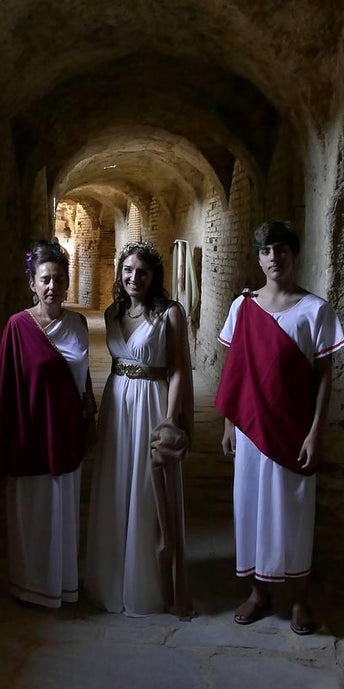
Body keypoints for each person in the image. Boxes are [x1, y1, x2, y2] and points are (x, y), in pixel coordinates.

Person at [215, 220, 344, 635]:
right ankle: (258, 592)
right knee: (251, 506)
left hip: (293, 428)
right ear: (258, 258)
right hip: (252, 429)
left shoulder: (315, 310)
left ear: (294, 254)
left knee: (294, 511)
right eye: (267, 250)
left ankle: (299, 599)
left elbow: (324, 375)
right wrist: (229, 424)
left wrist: (314, 432)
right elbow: (233, 370)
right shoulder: (243, 307)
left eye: (282, 249)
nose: (275, 257)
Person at [85, 241, 195, 617]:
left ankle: (150, 582)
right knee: (115, 483)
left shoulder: (170, 314)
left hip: (152, 402)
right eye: (128, 270)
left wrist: (170, 417)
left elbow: (179, 368)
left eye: (142, 272)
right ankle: (111, 577)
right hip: (117, 404)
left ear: (154, 277)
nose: (134, 278)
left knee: (150, 490)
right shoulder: (112, 312)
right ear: (120, 273)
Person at [0, 240, 96, 608]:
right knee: (33, 513)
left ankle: (62, 584)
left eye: (59, 279)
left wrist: (89, 422)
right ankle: (31, 585)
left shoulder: (78, 324)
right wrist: (7, 445)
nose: (53, 287)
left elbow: (84, 383)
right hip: (31, 436)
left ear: (68, 283)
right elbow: (6, 389)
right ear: (32, 284)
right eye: (45, 280)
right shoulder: (17, 328)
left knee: (63, 511)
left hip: (66, 434)